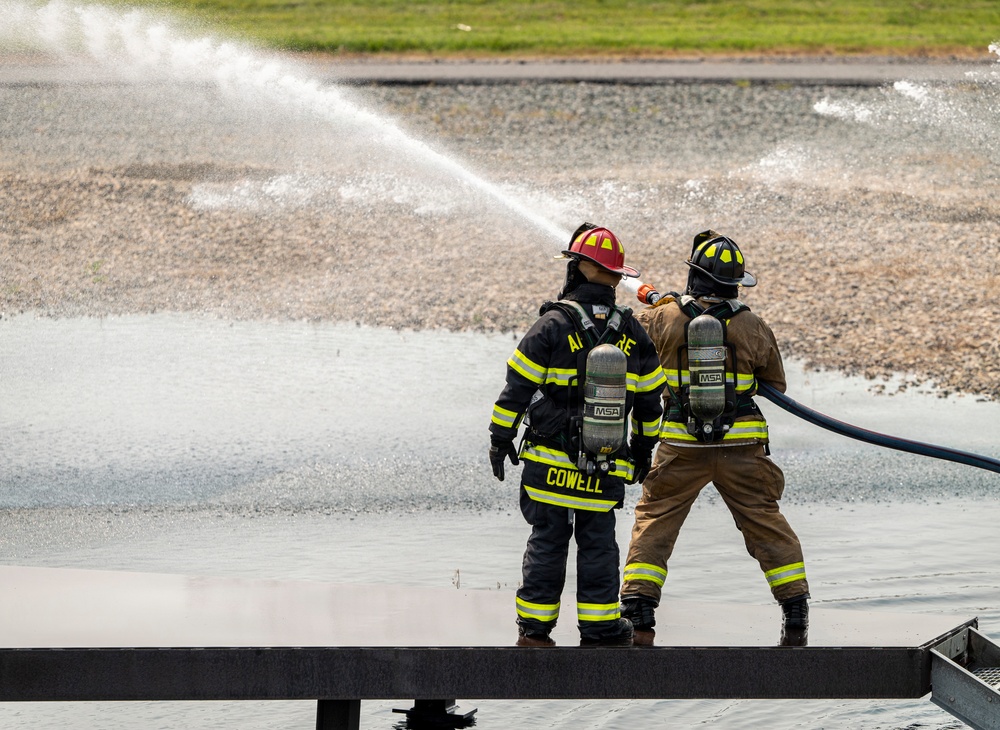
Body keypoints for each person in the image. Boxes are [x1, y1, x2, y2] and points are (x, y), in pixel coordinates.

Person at [620, 230, 810, 645]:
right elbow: (776, 382)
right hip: (742, 447)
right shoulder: (752, 325)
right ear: (735, 284)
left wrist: (662, 308)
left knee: (656, 518)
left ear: (695, 276)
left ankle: (638, 605)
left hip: (681, 447)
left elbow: (629, 346)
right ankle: (795, 605)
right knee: (764, 520)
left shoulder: (663, 319)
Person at [489, 223, 667, 647]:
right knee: (599, 545)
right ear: (616, 277)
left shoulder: (551, 324)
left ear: (579, 268)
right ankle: (601, 626)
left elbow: (516, 390)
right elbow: (650, 403)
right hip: (604, 465)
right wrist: (643, 451)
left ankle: (535, 629)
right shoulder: (632, 333)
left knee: (547, 541)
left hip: (549, 464)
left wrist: (500, 438)